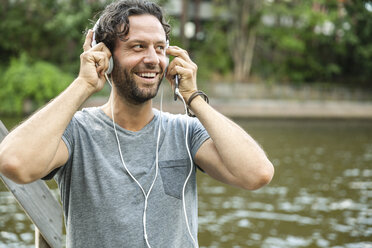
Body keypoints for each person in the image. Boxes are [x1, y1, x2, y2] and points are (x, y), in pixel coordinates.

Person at [0, 0, 274, 247]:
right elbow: (13, 163)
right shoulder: (75, 132)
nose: (153, 59)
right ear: (106, 56)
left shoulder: (186, 132)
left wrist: (193, 98)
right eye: (138, 47)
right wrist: (83, 85)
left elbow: (257, 174)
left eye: (160, 48)